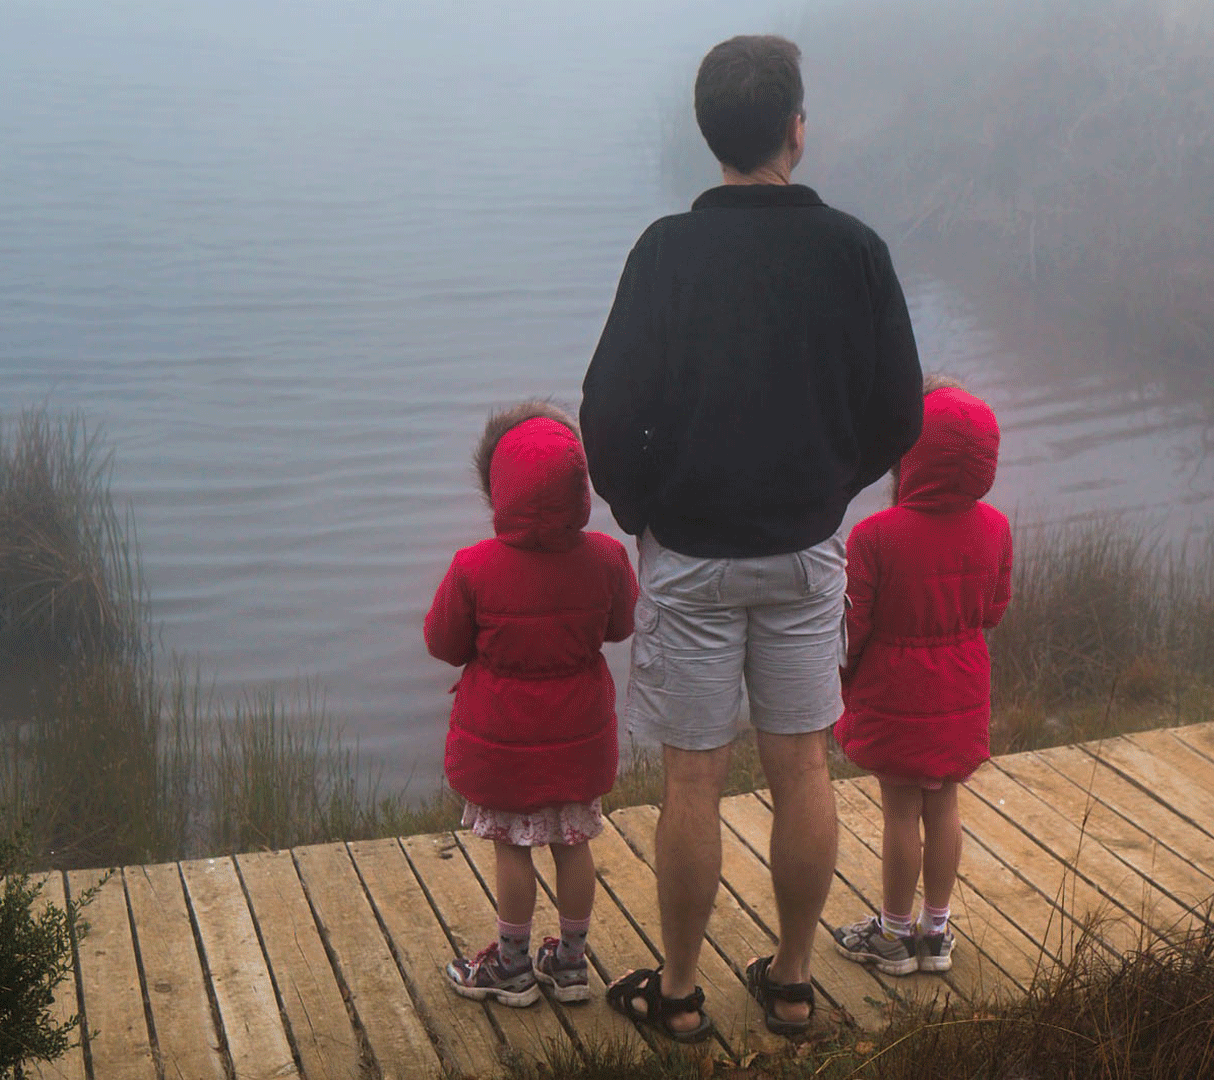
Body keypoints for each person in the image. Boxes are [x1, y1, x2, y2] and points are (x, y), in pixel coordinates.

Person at [581, 35, 923, 1039]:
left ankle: (681, 995)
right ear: (795, 131)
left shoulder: (665, 252)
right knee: (803, 769)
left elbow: (607, 411)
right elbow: (899, 410)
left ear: (709, 135)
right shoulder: (854, 250)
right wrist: (828, 484)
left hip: (688, 552)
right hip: (805, 550)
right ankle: (791, 981)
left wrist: (644, 507)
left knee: (693, 778)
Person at [424, 401, 638, 1008]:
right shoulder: (606, 558)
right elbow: (622, 625)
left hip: (503, 740)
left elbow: (443, 643)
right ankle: (570, 965)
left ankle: (511, 967)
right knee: (574, 843)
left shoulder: (473, 569)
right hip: (580, 735)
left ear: (499, 490)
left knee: (513, 846)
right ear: (580, 486)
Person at [830, 379, 1011, 976]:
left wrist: (843, 677)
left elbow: (853, 629)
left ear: (912, 453)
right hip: (962, 685)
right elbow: (993, 610)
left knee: (901, 813)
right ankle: (936, 933)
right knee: (946, 806)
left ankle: (892, 935)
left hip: (896, 691)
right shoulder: (995, 528)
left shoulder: (876, 536)